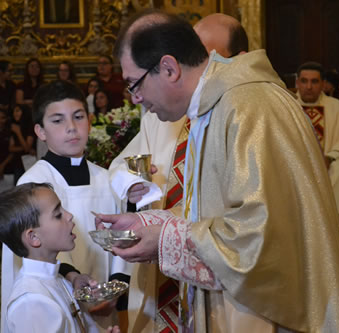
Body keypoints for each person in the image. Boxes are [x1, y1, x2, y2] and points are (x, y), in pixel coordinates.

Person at [97, 9, 339, 332]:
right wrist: (151, 222)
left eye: (134, 85)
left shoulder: (247, 108)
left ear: (168, 68)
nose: (137, 100)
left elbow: (260, 240)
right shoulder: (216, 106)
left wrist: (165, 239)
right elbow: (214, 208)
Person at [108, 13, 250, 332]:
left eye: (209, 57)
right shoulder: (162, 115)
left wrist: (166, 237)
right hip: (161, 277)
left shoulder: (242, 114)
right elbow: (120, 165)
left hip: (223, 291)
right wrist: (134, 188)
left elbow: (252, 232)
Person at [1, 80, 132, 332]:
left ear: (90, 120)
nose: (71, 128)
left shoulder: (106, 178)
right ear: (40, 131)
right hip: (54, 300)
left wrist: (115, 290)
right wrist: (72, 277)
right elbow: (32, 253)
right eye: (58, 120)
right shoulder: (33, 184)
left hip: (106, 305)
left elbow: (122, 239)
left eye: (78, 117)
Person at [0, 182, 121, 333]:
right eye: (58, 215)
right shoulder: (32, 302)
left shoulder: (57, 279)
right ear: (34, 237)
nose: (69, 215)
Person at [296, 61, 339, 258]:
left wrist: (329, 158)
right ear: (297, 83)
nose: (309, 86)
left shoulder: (336, 107)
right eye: (304, 81)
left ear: (323, 83)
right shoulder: (287, 107)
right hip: (297, 167)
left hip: (328, 166)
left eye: (314, 81)